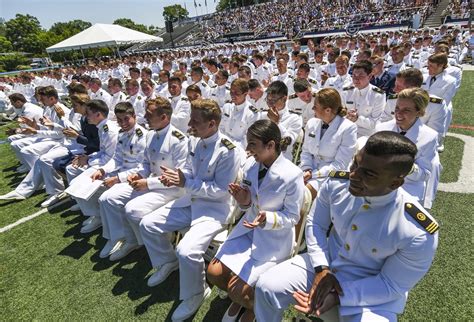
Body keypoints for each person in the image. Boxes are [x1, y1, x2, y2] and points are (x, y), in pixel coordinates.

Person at [255, 131, 439, 322]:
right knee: (267, 287)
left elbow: (390, 285)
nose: (353, 175)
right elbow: (316, 223)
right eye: (356, 163)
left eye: (368, 173)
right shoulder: (337, 184)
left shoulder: (417, 230)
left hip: (371, 289)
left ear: (395, 182)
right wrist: (321, 267)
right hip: (328, 263)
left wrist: (339, 296)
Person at [139, 99, 241, 321]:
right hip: (190, 202)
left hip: (214, 210)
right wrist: (173, 177)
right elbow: (186, 169)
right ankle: (167, 262)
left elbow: (221, 191)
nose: (190, 124)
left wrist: (185, 182)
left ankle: (196, 292)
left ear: (212, 124)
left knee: (186, 250)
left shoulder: (229, 151)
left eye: (195, 120)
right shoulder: (195, 140)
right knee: (147, 224)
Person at [207, 119, 305, 322]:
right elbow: (249, 203)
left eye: (253, 144)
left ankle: (251, 305)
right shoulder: (252, 165)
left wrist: (267, 219)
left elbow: (293, 216)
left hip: (273, 241)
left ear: (270, 145)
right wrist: (244, 201)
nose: (248, 148)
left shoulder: (292, 175)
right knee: (213, 272)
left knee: (237, 290)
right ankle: (243, 297)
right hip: (248, 231)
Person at [97, 97, 188, 260]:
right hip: (151, 182)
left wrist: (147, 183)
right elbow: (146, 163)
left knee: (133, 210)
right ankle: (131, 240)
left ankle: (166, 255)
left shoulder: (179, 140)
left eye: (149, 114)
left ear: (164, 117)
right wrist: (139, 175)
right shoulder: (151, 135)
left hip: (171, 190)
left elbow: (179, 178)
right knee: (112, 199)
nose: (145, 116)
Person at [376, 88, 439, 207]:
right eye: (397, 108)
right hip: (380, 183)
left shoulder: (429, 137)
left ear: (419, 112)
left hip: (408, 188)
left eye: (406, 110)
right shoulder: (381, 129)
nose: (398, 114)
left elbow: (425, 175)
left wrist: (405, 164)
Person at [300, 88, 357, 200]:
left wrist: (313, 175)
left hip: (330, 176)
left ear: (327, 110)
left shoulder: (348, 128)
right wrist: (306, 169)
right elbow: (306, 151)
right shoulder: (312, 123)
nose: (312, 108)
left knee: (302, 195)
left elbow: (340, 164)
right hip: (307, 170)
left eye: (315, 106)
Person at [342, 61, 385, 138]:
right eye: (354, 76)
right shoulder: (347, 91)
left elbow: (375, 123)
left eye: (361, 76)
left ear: (369, 76)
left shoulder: (378, 95)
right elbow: (340, 114)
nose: (356, 79)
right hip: (346, 131)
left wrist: (357, 119)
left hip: (365, 135)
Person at [220, 78, 260, 153]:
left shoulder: (252, 114)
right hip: (221, 145)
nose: (233, 95)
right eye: (231, 92)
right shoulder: (227, 107)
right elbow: (221, 128)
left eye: (237, 93)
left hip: (237, 150)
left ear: (245, 94)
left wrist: (228, 147)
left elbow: (246, 140)